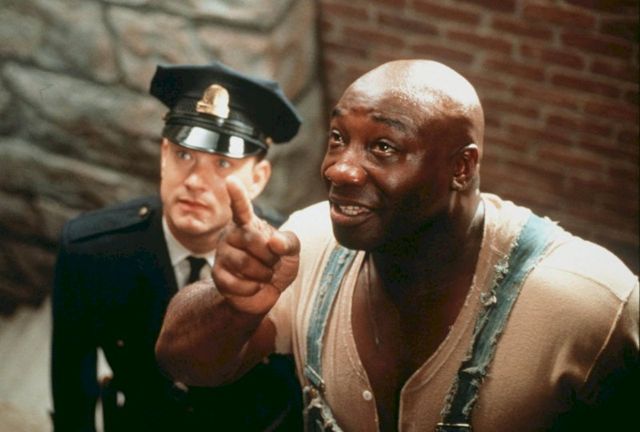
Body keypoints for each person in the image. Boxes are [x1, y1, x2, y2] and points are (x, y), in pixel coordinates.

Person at [155, 60, 639, 431]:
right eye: (338, 138)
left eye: (384, 147)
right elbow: (182, 361)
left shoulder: (589, 302)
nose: (339, 169)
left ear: (462, 168)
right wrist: (230, 301)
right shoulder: (309, 242)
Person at [51, 61, 304, 431]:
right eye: (184, 155)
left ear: (257, 178)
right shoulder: (92, 250)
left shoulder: (285, 259)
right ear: (163, 155)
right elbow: (72, 389)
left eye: (222, 163)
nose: (196, 181)